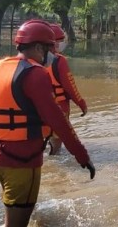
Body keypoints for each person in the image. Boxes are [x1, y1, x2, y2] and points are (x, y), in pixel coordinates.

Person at [0, 20, 95, 227]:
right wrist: (82, 155)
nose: (51, 54)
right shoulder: (35, 74)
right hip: (20, 159)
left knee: (13, 208)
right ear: (37, 47)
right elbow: (58, 122)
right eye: (48, 48)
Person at [47, 23, 88, 155]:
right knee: (56, 144)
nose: (63, 43)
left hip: (37, 108)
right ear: (53, 43)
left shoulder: (31, 60)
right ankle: (55, 166)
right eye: (60, 41)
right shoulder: (60, 61)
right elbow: (71, 87)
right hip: (59, 107)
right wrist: (81, 104)